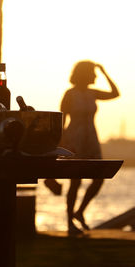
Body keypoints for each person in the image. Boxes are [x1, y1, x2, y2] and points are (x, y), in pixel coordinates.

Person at [45, 61, 120, 235]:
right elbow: (62, 119)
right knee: (75, 181)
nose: (95, 76)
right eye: (93, 73)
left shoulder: (93, 93)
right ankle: (69, 221)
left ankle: (80, 212)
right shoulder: (70, 94)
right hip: (75, 138)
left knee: (99, 177)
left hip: (91, 138)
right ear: (84, 74)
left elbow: (115, 93)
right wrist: (61, 141)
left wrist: (104, 71)